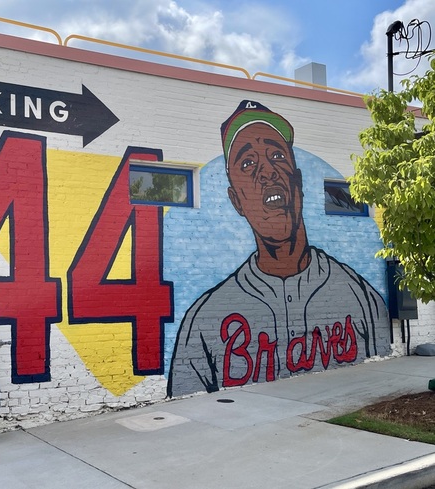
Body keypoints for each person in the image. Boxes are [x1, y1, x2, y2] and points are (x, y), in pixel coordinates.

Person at [167, 100, 390, 397]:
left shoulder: (362, 297)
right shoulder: (202, 322)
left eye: (276, 155)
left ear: (297, 182)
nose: (267, 172)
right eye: (248, 163)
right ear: (236, 201)